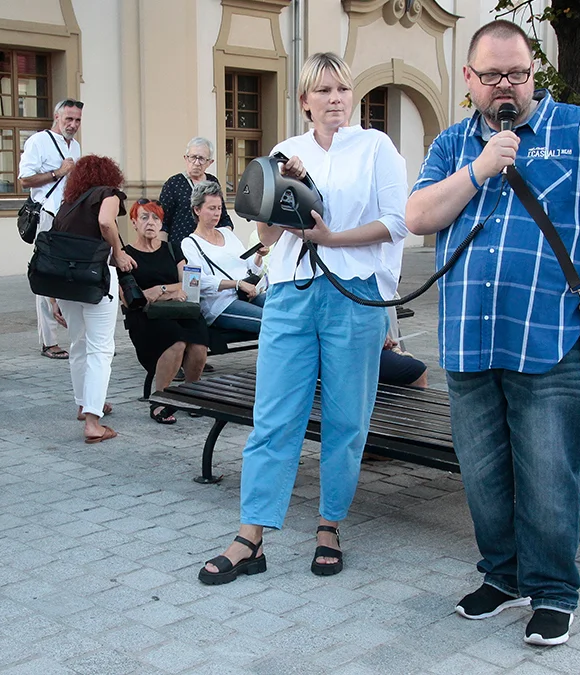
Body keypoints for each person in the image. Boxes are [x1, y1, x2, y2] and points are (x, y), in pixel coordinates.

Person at [405, 20, 580, 646]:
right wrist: (480, 169)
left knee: (550, 476)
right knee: (483, 475)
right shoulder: (454, 144)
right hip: (467, 343)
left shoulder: (578, 129)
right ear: (469, 79)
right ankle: (502, 576)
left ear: (534, 73)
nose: (506, 87)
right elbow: (418, 215)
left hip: (549, 341)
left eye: (518, 74)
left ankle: (555, 591)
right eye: (492, 76)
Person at [198, 53, 407, 586]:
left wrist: (332, 238)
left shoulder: (376, 147)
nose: (335, 98)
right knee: (273, 418)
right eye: (324, 90)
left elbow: (396, 222)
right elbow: (268, 235)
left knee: (346, 421)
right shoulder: (284, 151)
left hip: (354, 293)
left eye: (342, 87)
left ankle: (329, 527)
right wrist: (279, 205)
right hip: (290, 293)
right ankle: (251, 537)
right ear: (304, 100)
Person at [49, 155, 133, 443]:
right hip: (96, 279)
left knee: (79, 346)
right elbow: (106, 222)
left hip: (68, 283)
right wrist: (119, 253)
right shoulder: (107, 194)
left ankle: (86, 404)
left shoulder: (66, 206)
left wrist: (53, 298)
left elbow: (54, 249)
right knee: (101, 349)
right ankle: (93, 423)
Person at [121, 198, 209, 423]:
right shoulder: (126, 254)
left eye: (156, 218)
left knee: (198, 344)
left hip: (179, 310)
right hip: (144, 317)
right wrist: (170, 291)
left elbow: (190, 283)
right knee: (176, 341)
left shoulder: (172, 249)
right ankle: (161, 399)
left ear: (162, 223)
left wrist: (160, 290)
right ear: (134, 222)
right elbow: (133, 298)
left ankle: (189, 394)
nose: (150, 223)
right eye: (144, 217)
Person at [19, 99, 83, 360]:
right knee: (46, 276)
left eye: (77, 119)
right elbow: (25, 180)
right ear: (57, 117)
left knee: (70, 275)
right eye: (68, 118)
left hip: (70, 217)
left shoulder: (75, 145)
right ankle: (49, 341)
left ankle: (76, 334)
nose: (73, 124)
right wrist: (58, 172)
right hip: (47, 215)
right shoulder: (38, 141)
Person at [181, 182, 267, 334]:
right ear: (197, 209)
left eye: (219, 208)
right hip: (220, 304)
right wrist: (237, 284)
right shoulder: (189, 243)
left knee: (283, 314)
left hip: (246, 295)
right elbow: (198, 281)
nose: (217, 213)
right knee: (269, 322)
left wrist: (258, 256)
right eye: (211, 208)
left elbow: (249, 267)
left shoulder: (227, 234)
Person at [157, 137, 233, 240]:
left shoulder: (212, 182)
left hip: (209, 247)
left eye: (201, 159)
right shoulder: (173, 184)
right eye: (193, 157)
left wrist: (225, 238)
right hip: (180, 249)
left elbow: (223, 217)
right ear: (185, 158)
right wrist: (164, 251)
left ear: (210, 162)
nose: (196, 163)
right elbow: (162, 222)